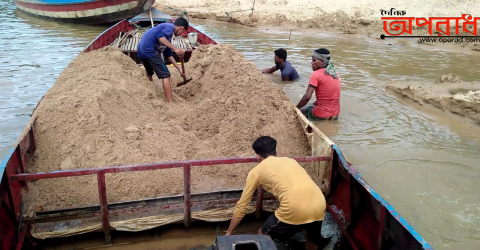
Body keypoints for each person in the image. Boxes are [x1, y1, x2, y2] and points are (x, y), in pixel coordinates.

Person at [226, 136, 331, 250]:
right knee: (311, 238)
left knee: (262, 234)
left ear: (257, 156)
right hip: (319, 203)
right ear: (275, 152)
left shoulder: (256, 172)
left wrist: (229, 233)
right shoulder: (291, 161)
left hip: (294, 208)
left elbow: (242, 206)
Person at [137, 17, 189, 103]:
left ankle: (151, 93)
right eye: (182, 32)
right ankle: (170, 101)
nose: (180, 34)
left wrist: (179, 69)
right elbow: (160, 37)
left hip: (141, 51)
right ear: (182, 27)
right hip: (150, 51)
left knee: (149, 73)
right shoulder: (170, 27)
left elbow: (168, 54)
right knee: (166, 75)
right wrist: (175, 48)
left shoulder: (167, 34)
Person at [296, 48, 341, 121]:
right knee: (311, 106)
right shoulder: (336, 74)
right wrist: (313, 104)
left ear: (322, 62)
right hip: (335, 114)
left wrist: (296, 108)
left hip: (321, 114)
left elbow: (307, 97)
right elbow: (328, 97)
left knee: (303, 110)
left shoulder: (316, 74)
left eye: (314, 60)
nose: (311, 63)